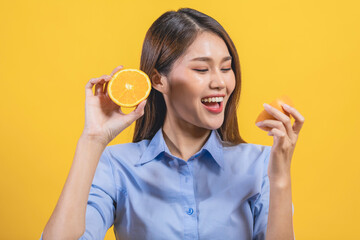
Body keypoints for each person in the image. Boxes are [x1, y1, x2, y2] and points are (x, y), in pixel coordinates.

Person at [40, 7, 304, 240]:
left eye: (226, 68)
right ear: (158, 80)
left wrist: (280, 178)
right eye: (202, 69)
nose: (220, 83)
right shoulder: (117, 167)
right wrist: (92, 140)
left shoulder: (259, 165)